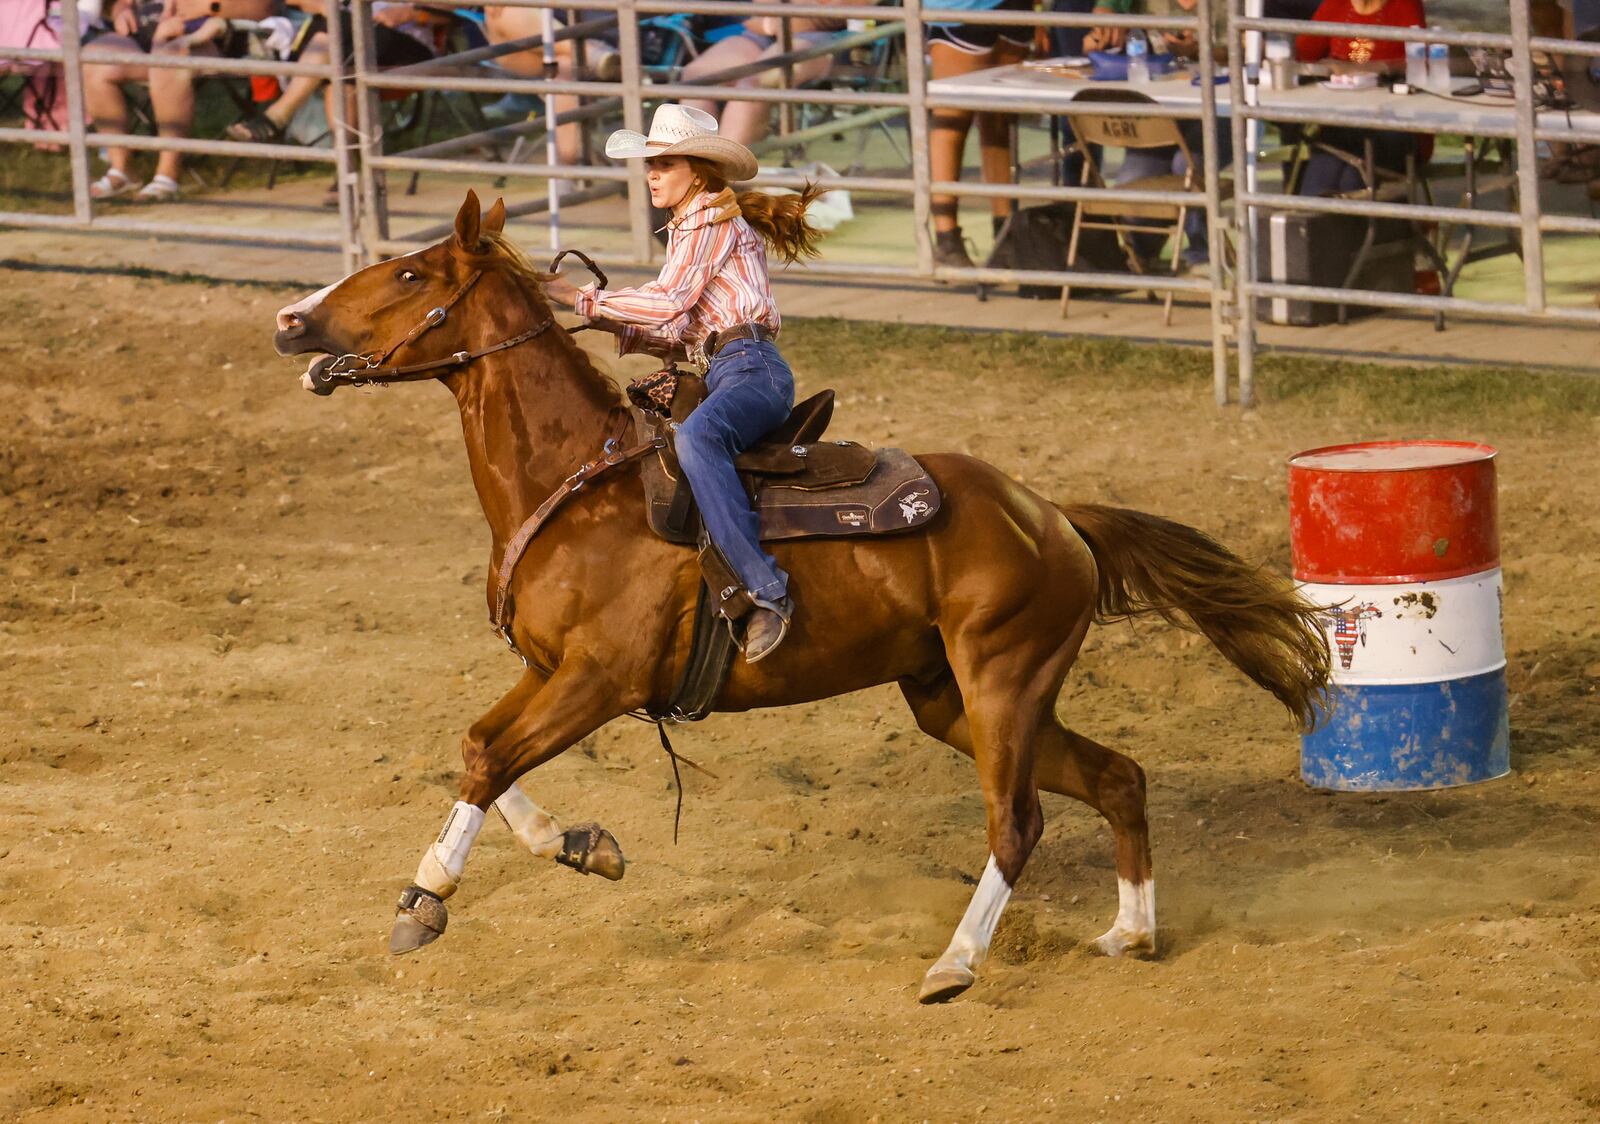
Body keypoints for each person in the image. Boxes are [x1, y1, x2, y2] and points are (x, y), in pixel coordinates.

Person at [544, 104, 823, 663]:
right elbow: (675, 330)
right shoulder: (695, 226)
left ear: (696, 170)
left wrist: (580, 298)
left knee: (698, 440)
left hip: (751, 369)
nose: (651, 173)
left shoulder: (708, 224)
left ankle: (766, 592)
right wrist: (603, 319)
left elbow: (668, 302)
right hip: (729, 365)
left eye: (663, 164)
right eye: (650, 164)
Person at [83, 0, 275, 200]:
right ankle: (122, 169)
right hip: (144, 36)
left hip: (208, 37)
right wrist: (121, 11)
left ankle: (168, 174)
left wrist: (208, 8)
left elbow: (263, 7)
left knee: (168, 58)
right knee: (94, 57)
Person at [924, 0, 1036, 268]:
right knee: (951, 120)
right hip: (961, 10)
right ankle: (947, 238)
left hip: (1013, 10)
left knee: (998, 121)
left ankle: (1004, 234)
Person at [1294, 0, 1427, 196]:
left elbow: (1420, 61)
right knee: (1343, 162)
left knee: (1340, 156)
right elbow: (1302, 54)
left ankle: (1310, 217)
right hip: (1343, 122)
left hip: (1393, 124)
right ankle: (1315, 218)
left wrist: (1367, 68)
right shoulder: (1336, 5)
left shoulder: (1404, 5)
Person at [680, 0, 854, 147]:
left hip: (822, 37)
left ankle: (725, 172)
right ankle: (693, 168)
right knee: (697, 76)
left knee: (756, 82)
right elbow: (756, 15)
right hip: (763, 32)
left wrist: (780, 19)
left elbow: (839, 12)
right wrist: (774, 21)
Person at [482, 5, 621, 163]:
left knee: (562, 66)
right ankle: (590, 53)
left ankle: (565, 171)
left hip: (603, 30)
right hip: (545, 45)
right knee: (506, 11)